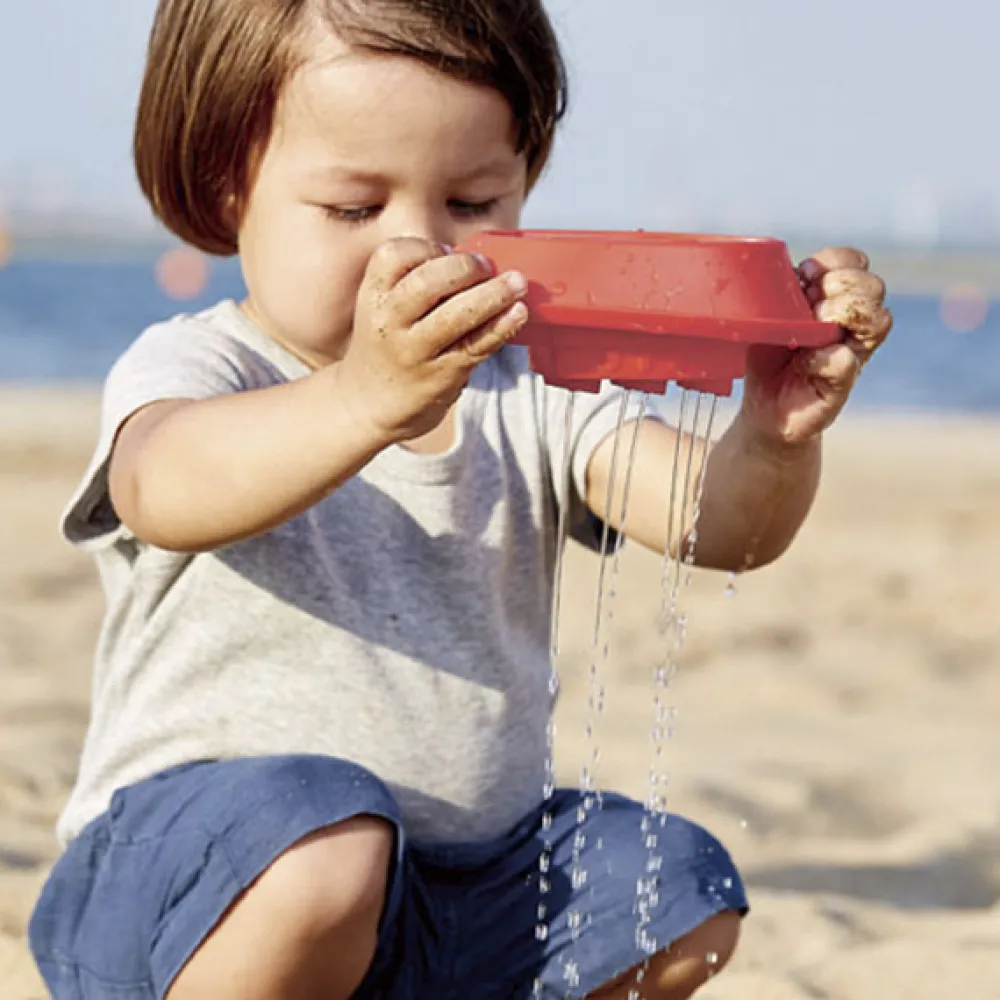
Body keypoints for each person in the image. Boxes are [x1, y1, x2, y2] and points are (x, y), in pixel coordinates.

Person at [28, 2, 893, 999]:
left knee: (671, 889)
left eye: (473, 202)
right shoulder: (203, 364)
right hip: (198, 886)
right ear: (230, 185)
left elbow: (722, 525)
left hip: (455, 890)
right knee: (327, 848)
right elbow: (164, 487)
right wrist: (363, 400)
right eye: (354, 210)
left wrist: (775, 433)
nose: (419, 251)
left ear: (524, 181)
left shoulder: (529, 389)